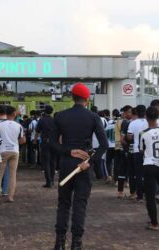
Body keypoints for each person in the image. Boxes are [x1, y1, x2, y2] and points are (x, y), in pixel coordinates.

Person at [51, 83, 108, 250]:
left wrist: (69, 151)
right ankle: (76, 243)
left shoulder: (60, 116)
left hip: (66, 164)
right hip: (84, 165)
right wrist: (89, 162)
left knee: (63, 203)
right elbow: (103, 145)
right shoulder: (93, 117)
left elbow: (52, 143)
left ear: (72, 97)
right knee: (80, 204)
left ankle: (59, 242)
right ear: (87, 98)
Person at [0, 106, 26, 202]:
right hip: (14, 151)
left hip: (2, 151)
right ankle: (10, 196)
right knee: (12, 175)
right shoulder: (19, 126)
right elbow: (22, 140)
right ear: (14, 114)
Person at [127, 105, 148, 202]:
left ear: (136, 112)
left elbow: (129, 137)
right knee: (148, 173)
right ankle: (148, 194)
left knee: (138, 174)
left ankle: (140, 196)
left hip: (137, 150)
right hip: (148, 151)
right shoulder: (150, 122)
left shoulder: (132, 123)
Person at [34, 105, 56, 188]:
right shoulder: (55, 120)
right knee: (53, 162)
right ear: (52, 111)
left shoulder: (42, 120)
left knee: (46, 162)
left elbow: (37, 131)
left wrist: (35, 140)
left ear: (44, 111)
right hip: (54, 143)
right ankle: (52, 180)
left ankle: (48, 181)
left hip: (45, 142)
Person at [115, 105, 132, 198]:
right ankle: (121, 191)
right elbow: (122, 138)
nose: (131, 113)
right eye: (129, 112)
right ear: (125, 113)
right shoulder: (125, 123)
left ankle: (122, 190)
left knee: (124, 170)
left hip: (122, 148)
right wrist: (127, 148)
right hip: (124, 149)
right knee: (123, 170)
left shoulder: (122, 122)